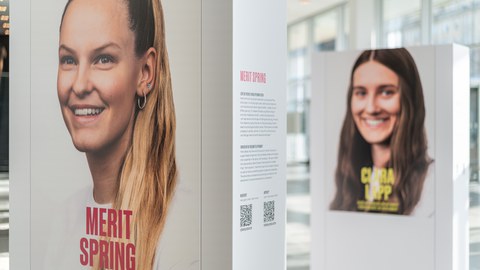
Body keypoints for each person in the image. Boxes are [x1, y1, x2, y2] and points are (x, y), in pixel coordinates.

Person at [55, 0, 181, 268]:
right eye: (68, 59)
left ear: (145, 73)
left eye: (103, 59)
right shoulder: (64, 218)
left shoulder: (179, 225)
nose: (79, 85)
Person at [329, 48, 432, 215]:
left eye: (386, 92)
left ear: (409, 98)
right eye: (361, 93)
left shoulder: (430, 186)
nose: (371, 108)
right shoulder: (346, 177)